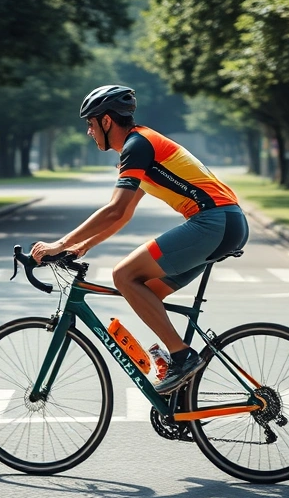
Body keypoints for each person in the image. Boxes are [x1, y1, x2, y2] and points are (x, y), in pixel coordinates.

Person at [31, 85, 249, 394]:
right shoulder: (142, 145)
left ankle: (183, 357)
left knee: (124, 275)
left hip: (214, 222)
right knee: (145, 293)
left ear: (107, 121)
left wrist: (59, 244)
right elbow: (124, 213)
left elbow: (114, 208)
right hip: (225, 223)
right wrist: (83, 246)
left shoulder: (138, 144)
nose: (88, 132)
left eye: (90, 123)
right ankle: (180, 380)